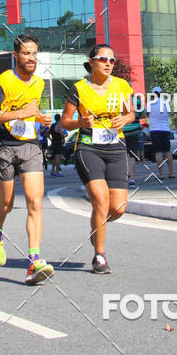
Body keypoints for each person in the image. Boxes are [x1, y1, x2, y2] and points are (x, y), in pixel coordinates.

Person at [0, 34, 54, 285]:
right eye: (26, 53)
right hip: (3, 145)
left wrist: (40, 118)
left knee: (35, 202)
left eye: (34, 53)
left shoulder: (39, 83)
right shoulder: (1, 82)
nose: (31, 58)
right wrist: (21, 113)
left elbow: (31, 111)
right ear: (16, 56)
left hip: (29, 145)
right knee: (6, 204)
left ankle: (34, 261)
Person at [61, 44, 135, 273]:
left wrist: (125, 119)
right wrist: (80, 122)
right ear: (91, 62)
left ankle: (97, 228)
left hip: (115, 147)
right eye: (103, 59)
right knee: (100, 201)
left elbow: (131, 113)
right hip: (88, 148)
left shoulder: (122, 86)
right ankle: (99, 256)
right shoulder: (78, 89)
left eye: (112, 60)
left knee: (118, 208)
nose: (108, 64)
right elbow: (64, 122)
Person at [149, 87, 174, 179]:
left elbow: (147, 113)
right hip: (165, 129)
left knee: (158, 152)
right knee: (167, 151)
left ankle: (161, 174)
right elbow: (169, 113)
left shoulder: (150, 103)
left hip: (154, 129)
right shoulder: (166, 102)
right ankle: (171, 173)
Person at [122, 106, 142, 187]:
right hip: (133, 131)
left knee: (120, 155)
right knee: (132, 155)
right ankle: (132, 179)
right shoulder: (137, 101)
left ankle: (122, 178)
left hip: (120, 131)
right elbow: (142, 115)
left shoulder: (116, 99)